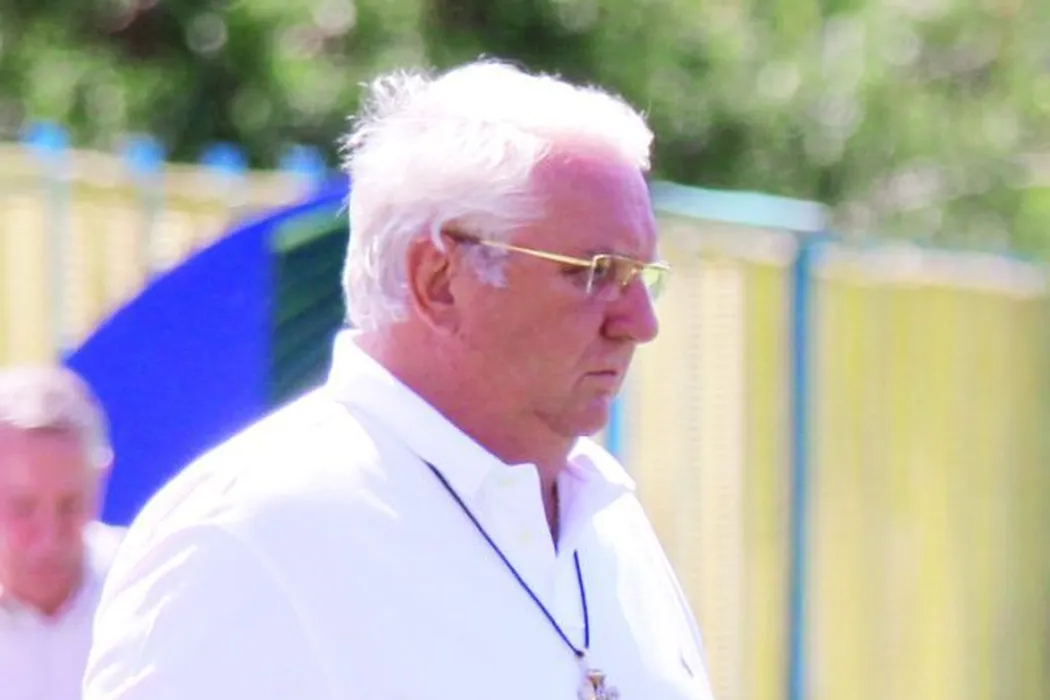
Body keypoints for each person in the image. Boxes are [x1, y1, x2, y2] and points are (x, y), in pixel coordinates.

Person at [84, 60, 715, 700]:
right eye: (595, 272)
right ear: (438, 281)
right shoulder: (248, 534)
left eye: (641, 277)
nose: (640, 323)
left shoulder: (606, 518)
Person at [0, 365, 124, 700]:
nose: (48, 537)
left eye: (71, 505)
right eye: (22, 507)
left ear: (101, 479)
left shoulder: (146, 585)